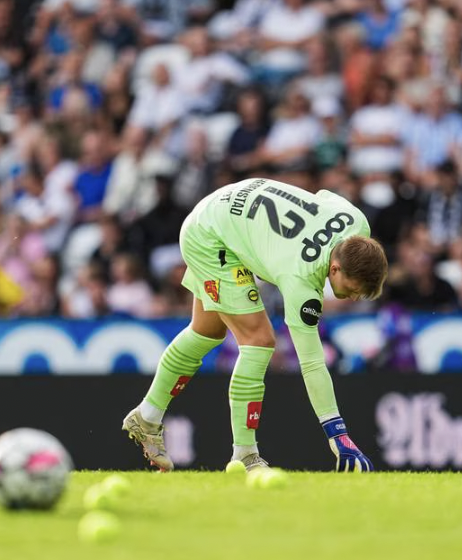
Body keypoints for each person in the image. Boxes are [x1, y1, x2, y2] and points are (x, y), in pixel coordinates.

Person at [122, 177, 388, 472]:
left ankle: (147, 415)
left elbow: (323, 195)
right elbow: (312, 363)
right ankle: (245, 455)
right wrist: (337, 435)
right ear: (334, 268)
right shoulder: (300, 280)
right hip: (212, 236)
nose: (353, 298)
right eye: (351, 289)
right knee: (259, 340)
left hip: (225, 207)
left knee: (207, 331)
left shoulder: (355, 221)